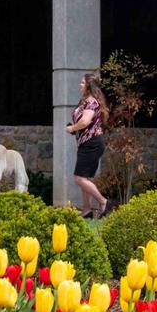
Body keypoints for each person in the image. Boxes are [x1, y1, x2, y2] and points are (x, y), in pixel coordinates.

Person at [66, 73, 110, 217]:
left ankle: (103, 202)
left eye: (83, 83)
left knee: (79, 178)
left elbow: (85, 122)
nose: (80, 85)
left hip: (92, 143)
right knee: (85, 178)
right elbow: (84, 124)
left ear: (89, 86)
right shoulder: (85, 101)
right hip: (86, 143)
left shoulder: (91, 102)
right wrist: (76, 129)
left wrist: (72, 128)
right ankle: (86, 210)